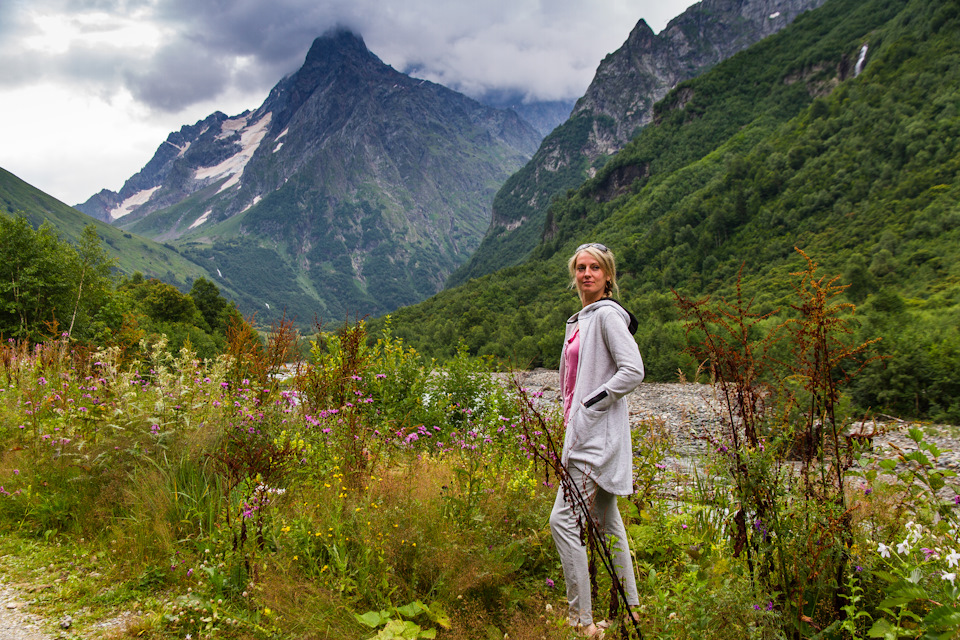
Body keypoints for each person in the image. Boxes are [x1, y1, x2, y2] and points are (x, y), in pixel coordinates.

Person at [549, 242, 644, 638]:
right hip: (585, 431)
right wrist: (574, 412)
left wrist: (590, 405)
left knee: (562, 520)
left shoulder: (606, 316)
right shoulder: (581, 319)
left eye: (595, 268)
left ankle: (581, 621)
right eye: (581, 268)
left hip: (595, 438)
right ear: (575, 275)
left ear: (607, 276)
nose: (586, 273)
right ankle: (631, 611)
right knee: (607, 522)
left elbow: (633, 370)